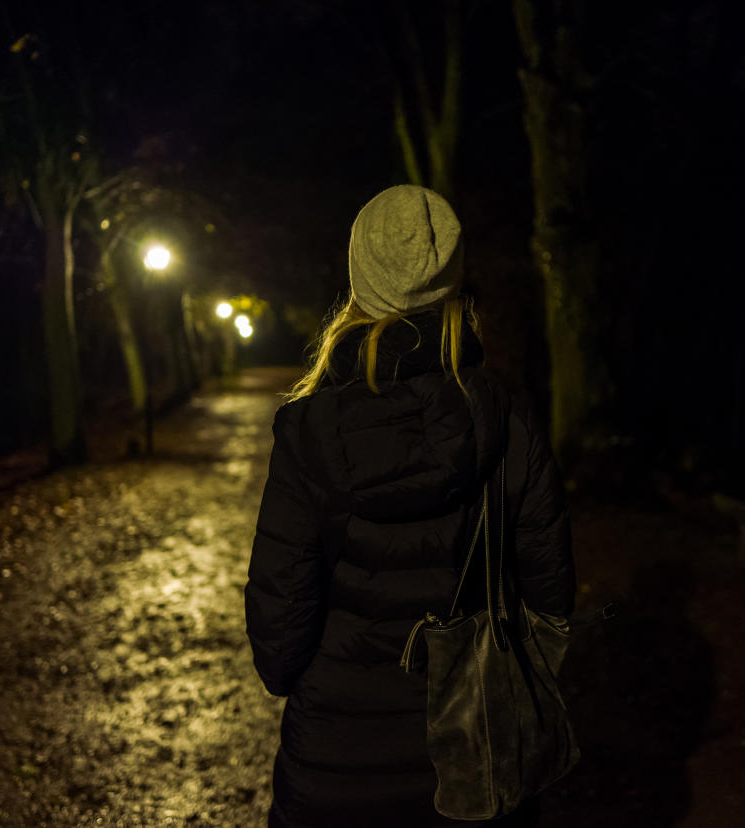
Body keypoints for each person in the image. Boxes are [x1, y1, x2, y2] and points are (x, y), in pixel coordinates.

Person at [245, 184, 575, 828]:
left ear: (359, 280)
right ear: (450, 283)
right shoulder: (507, 420)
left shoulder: (309, 433)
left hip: (337, 759)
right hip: (472, 759)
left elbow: (279, 632)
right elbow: (551, 603)